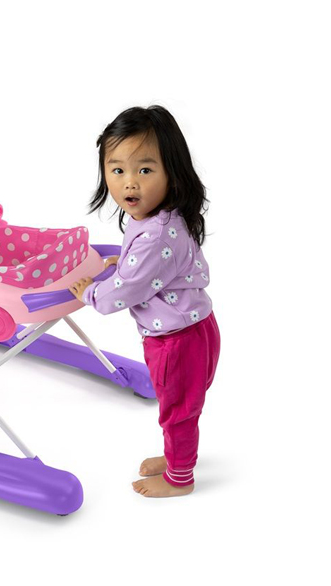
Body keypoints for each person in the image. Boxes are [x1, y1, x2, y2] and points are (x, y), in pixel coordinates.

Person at [69, 105, 221, 498]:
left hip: (176, 341)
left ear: (172, 172)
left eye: (145, 170)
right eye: (118, 170)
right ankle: (178, 457)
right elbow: (150, 265)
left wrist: (90, 292)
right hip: (195, 329)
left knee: (177, 414)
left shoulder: (156, 234)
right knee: (182, 408)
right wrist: (124, 262)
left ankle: (179, 479)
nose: (130, 183)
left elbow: (124, 291)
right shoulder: (163, 218)